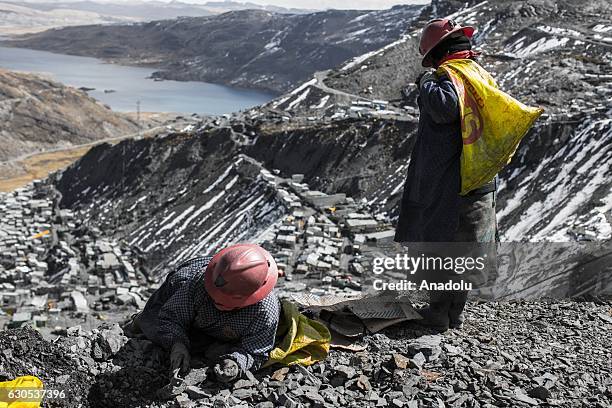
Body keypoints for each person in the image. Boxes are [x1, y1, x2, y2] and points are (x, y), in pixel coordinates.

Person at [394, 19, 498, 331]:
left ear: (439, 52)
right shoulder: (480, 76)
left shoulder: (450, 75)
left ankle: (438, 313)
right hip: (477, 180)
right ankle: (454, 312)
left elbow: (443, 108)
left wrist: (425, 81)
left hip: (452, 185)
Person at [124, 243, 281, 383]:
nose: (218, 303)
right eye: (215, 297)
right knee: (152, 321)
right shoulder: (198, 279)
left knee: (209, 350)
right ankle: (137, 321)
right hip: (179, 294)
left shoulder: (265, 311)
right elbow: (170, 316)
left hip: (217, 331)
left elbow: (256, 351)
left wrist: (236, 363)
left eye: (227, 303)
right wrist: (177, 344)